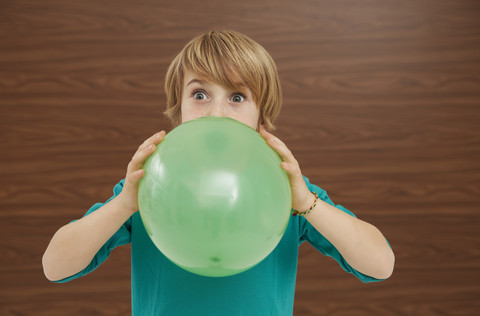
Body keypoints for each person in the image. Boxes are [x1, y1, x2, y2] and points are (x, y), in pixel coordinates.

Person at [42, 30, 395, 315]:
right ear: (177, 111)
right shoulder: (148, 188)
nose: (216, 112)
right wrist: (123, 205)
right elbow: (55, 266)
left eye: (237, 97)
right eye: (199, 94)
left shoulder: (289, 191)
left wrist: (307, 202)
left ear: (262, 118)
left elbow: (380, 265)